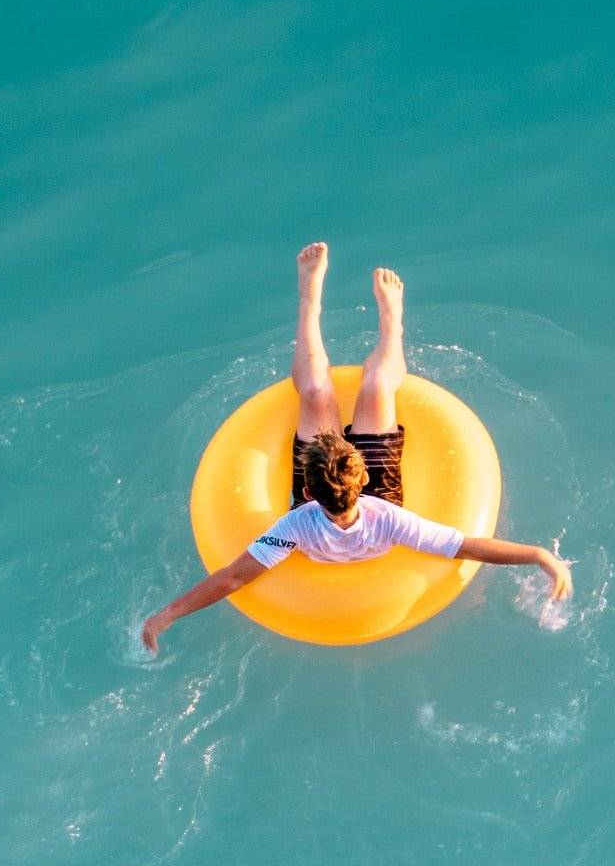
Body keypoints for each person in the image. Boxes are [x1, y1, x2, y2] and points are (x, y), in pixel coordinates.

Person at [141, 244, 572, 650]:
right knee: (377, 387)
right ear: (362, 471)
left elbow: (233, 578)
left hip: (342, 495)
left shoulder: (295, 526)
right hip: (380, 493)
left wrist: (168, 615)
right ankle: (391, 323)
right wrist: (539, 555)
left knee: (314, 392)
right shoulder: (391, 517)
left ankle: (310, 299)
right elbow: (466, 545)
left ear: (305, 492)